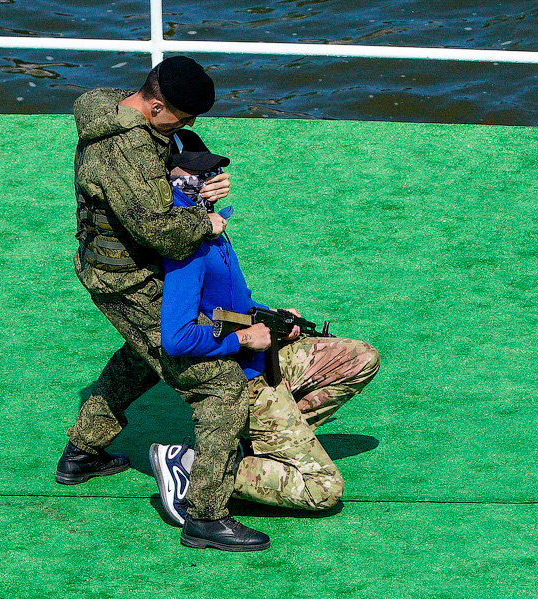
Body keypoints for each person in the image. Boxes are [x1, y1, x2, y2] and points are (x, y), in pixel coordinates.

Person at [54, 56, 269, 552]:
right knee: (218, 384)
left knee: (143, 356)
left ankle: (83, 451)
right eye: (182, 119)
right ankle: (205, 515)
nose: (186, 128)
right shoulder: (123, 149)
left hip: (128, 270)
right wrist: (205, 219)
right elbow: (162, 232)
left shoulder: (119, 109)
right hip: (128, 282)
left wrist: (196, 185)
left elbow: (155, 191)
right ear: (155, 106)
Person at [148, 130, 380, 544]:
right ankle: (195, 465)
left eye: (212, 171)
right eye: (198, 173)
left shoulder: (210, 226)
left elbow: (225, 304)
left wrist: (273, 320)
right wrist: (243, 341)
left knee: (360, 357)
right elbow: (177, 339)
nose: (213, 180)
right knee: (323, 489)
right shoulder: (187, 244)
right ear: (172, 180)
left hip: (262, 359)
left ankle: (258, 445)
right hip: (245, 379)